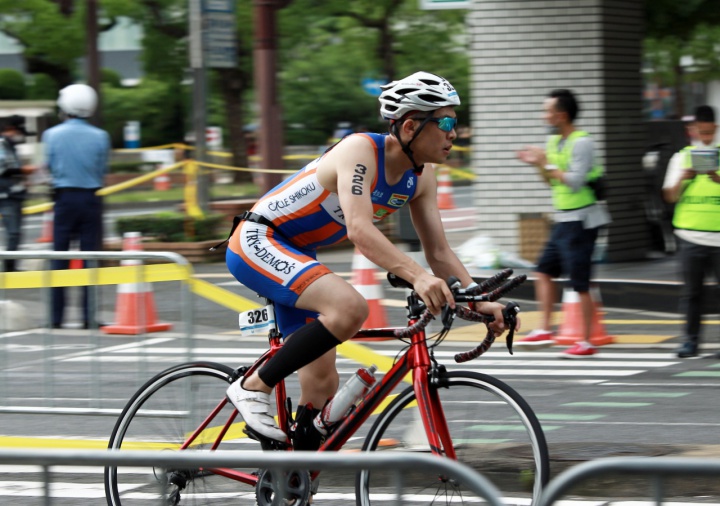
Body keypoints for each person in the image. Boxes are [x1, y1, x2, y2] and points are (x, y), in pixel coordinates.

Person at [223, 71, 513, 446]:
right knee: (349, 308)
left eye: (455, 123)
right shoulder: (360, 151)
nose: (453, 133)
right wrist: (418, 277)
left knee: (321, 388)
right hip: (258, 239)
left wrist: (481, 299)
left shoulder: (422, 178)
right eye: (445, 123)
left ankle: (292, 476)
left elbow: (439, 252)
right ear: (410, 126)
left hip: (298, 253)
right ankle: (251, 387)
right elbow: (359, 229)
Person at [514, 89, 611, 358]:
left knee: (580, 282)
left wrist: (544, 163)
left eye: (548, 111)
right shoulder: (555, 140)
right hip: (563, 219)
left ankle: (587, 340)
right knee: (543, 270)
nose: (544, 115)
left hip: (582, 220)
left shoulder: (582, 143)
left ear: (562, 115)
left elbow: (575, 180)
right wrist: (536, 164)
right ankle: (545, 328)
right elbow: (551, 180)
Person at [41, 84, 110, 329]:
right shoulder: (101, 136)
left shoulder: (51, 135)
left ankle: (55, 318)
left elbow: (45, 168)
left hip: (64, 199)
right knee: (89, 257)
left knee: (59, 257)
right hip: (91, 199)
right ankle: (88, 317)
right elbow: (103, 170)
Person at [662, 105, 720, 358]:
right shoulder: (681, 158)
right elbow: (670, 196)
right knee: (691, 293)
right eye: (701, 132)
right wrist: (683, 178)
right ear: (692, 130)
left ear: (715, 129)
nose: (705, 138)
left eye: (709, 133)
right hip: (689, 237)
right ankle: (689, 342)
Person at [0, 115, 36, 272]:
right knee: (13, 232)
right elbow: (3, 169)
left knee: (15, 232)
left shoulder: (10, 145)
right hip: (6, 195)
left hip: (13, 194)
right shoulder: (2, 144)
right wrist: (24, 170)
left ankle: (11, 265)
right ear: (12, 129)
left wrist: (23, 178)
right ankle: (9, 268)